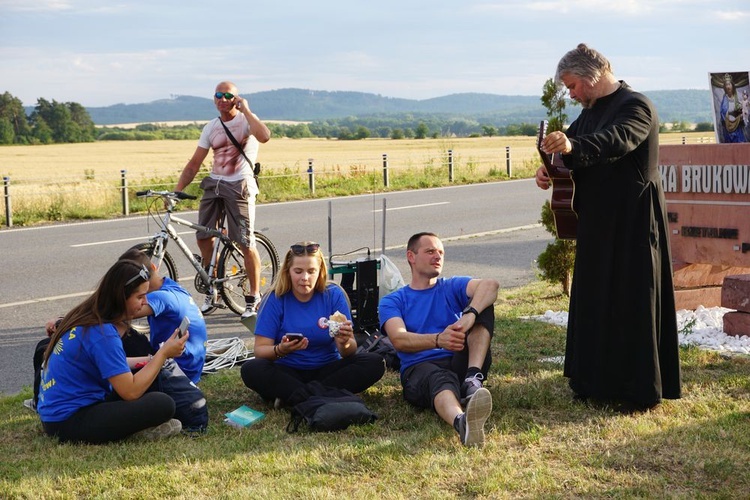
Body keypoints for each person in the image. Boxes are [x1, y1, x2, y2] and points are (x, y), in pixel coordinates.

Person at [534, 43, 682, 411]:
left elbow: (615, 141)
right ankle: (592, 382)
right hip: (598, 223)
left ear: (592, 76)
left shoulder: (636, 106)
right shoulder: (589, 111)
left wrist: (571, 145)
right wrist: (550, 166)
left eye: (572, 85)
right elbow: (570, 149)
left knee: (632, 301)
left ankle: (635, 389)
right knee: (595, 301)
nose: (570, 94)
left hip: (633, 220)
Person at [37, 260, 188, 444]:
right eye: (140, 297)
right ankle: (136, 433)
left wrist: (154, 358)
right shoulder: (103, 332)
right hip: (68, 422)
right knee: (163, 404)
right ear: (121, 297)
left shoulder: (89, 316)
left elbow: (114, 364)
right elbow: (130, 392)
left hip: (56, 416)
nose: (145, 302)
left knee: (151, 385)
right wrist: (163, 354)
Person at [378, 232, 498, 447]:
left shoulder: (450, 286)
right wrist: (438, 340)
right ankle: (462, 423)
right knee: (440, 379)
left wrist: (470, 314)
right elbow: (399, 339)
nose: (437, 256)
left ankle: (473, 379)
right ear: (411, 257)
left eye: (441, 252)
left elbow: (490, 285)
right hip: (420, 368)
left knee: (483, 305)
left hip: (460, 361)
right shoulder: (394, 300)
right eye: (430, 251)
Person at [240, 241, 385, 408]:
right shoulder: (275, 298)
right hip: (288, 370)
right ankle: (327, 394)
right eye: (298, 271)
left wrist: (344, 341)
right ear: (288, 272)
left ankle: (294, 396)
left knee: (374, 362)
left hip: (328, 369)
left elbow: (348, 352)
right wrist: (280, 350)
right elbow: (260, 350)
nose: (305, 278)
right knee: (251, 369)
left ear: (320, 271)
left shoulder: (333, 295)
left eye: (311, 271)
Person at [175, 80, 271, 319]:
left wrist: (247, 110)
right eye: (218, 95)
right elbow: (194, 163)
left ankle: (254, 296)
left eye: (227, 95)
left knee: (245, 242)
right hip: (215, 184)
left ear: (236, 99)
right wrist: (176, 191)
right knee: (203, 236)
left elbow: (265, 136)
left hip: (239, 185)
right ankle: (213, 287)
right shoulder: (211, 127)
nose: (221, 99)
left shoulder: (246, 121)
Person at [120, 248, 207, 384]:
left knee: (119, 331)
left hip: (178, 369)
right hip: (189, 365)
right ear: (154, 267)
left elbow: (116, 314)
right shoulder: (170, 285)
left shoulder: (161, 298)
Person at [718, 73, 747, 143]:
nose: (728, 87)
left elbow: (744, 109)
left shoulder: (738, 97)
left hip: (738, 127)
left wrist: (741, 114)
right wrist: (730, 114)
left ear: (732, 86)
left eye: (729, 84)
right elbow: (723, 112)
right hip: (728, 128)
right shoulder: (724, 99)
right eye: (726, 85)